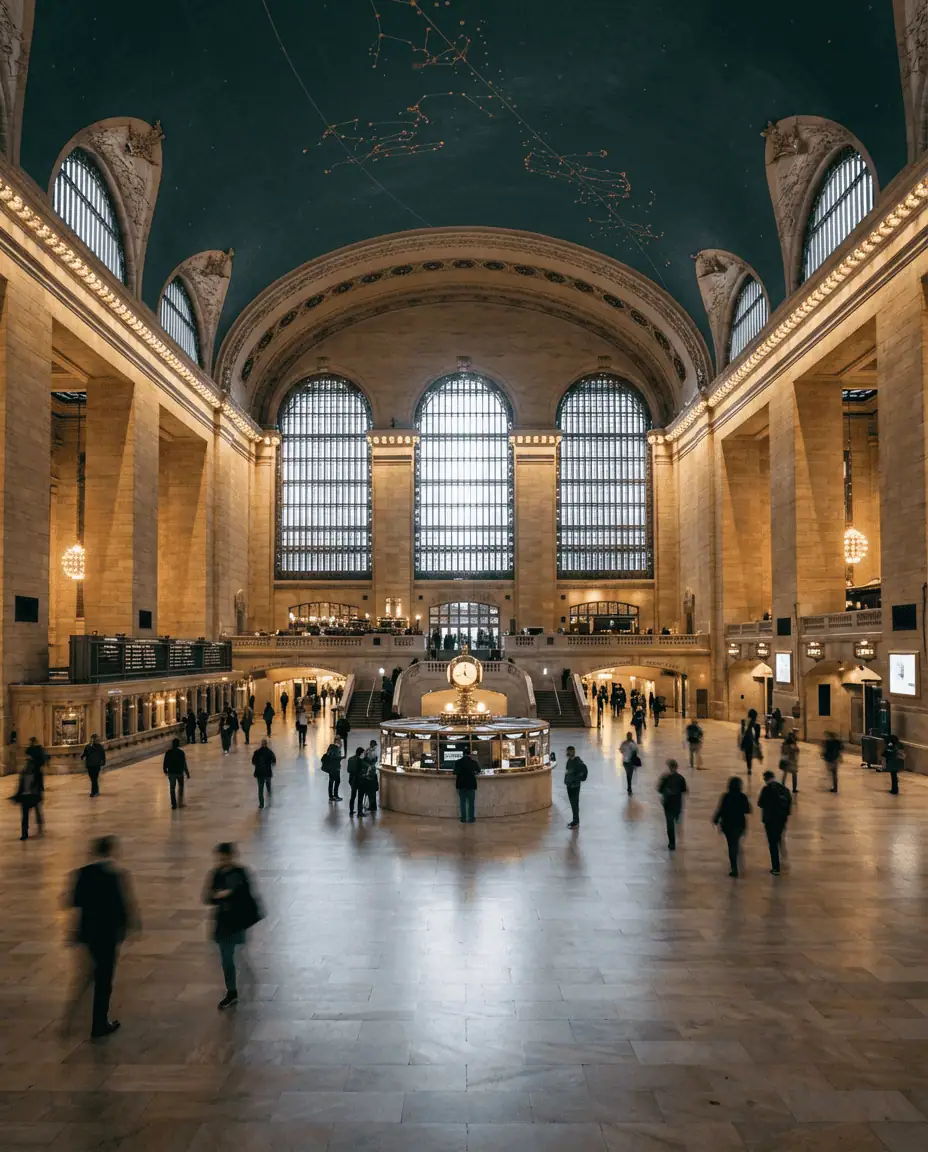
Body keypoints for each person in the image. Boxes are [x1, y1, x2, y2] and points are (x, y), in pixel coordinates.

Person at [66, 836, 137, 1039]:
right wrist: (129, 926)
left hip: (87, 934)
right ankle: (99, 1023)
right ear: (111, 852)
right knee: (104, 979)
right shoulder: (115, 875)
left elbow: (74, 901)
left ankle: (72, 1016)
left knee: (89, 974)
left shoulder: (82, 873)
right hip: (107, 936)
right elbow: (122, 905)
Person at [202, 842, 263, 1010]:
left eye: (224, 857)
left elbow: (248, 896)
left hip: (237, 921)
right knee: (227, 958)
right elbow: (207, 897)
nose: (221, 860)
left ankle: (244, 976)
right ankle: (232, 991)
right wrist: (219, 896)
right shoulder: (215, 874)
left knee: (238, 952)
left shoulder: (241, 873)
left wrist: (230, 894)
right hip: (223, 923)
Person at [713, 776, 752, 877]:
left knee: (731, 845)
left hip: (728, 824)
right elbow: (748, 810)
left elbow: (720, 809)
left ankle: (734, 867)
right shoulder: (743, 796)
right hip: (739, 824)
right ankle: (736, 855)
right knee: (735, 842)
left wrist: (716, 819)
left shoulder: (726, 796)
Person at [757, 769, 792, 875]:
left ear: (766, 779)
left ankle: (776, 867)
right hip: (781, 819)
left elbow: (760, 803)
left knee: (772, 843)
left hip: (770, 819)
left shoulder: (766, 789)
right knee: (778, 837)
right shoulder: (783, 788)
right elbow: (789, 802)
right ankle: (782, 854)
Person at [13, 748, 44, 840]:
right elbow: (20, 785)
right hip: (26, 796)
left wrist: (40, 795)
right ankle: (24, 832)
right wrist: (17, 795)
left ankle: (38, 827)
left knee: (34, 812)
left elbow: (40, 785)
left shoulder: (37, 772)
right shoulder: (24, 772)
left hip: (33, 795)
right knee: (26, 815)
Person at [657, 760, 687, 850]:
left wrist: (667, 791)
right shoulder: (681, 778)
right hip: (677, 803)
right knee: (675, 818)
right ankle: (677, 818)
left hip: (668, 803)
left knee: (670, 823)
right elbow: (684, 790)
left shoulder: (665, 777)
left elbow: (659, 789)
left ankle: (672, 843)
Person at [453, 746, 480, 823]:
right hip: (471, 785)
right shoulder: (473, 762)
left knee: (462, 803)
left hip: (461, 785)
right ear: (469, 754)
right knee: (471, 803)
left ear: (463, 754)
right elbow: (478, 770)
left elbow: (455, 772)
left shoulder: (458, 762)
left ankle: (463, 819)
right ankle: (471, 818)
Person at [564, 745, 588, 829]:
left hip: (575, 786)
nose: (567, 753)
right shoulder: (569, 761)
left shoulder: (577, 762)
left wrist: (575, 779)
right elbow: (567, 772)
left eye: (568, 752)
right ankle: (574, 820)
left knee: (575, 804)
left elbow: (581, 772)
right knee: (572, 803)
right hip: (569, 785)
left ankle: (576, 822)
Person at [162, 738, 190, 809]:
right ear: (178, 744)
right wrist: (187, 773)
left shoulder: (168, 752)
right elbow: (184, 764)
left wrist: (165, 770)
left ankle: (173, 804)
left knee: (172, 788)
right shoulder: (181, 753)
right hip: (179, 772)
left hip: (171, 772)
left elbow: (165, 762)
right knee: (180, 787)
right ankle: (180, 803)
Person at [252, 739, 276, 808]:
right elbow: (274, 761)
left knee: (260, 788)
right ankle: (269, 790)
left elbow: (253, 762)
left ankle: (261, 804)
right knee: (268, 782)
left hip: (259, 773)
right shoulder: (270, 752)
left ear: (261, 744)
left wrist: (258, 765)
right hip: (267, 772)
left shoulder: (257, 752)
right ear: (266, 744)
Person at [740, 709, 761, 776]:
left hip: (746, 741)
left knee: (748, 755)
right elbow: (757, 737)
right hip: (752, 742)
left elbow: (742, 733)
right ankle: (749, 768)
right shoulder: (757, 725)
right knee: (750, 755)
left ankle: (749, 768)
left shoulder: (744, 722)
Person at [347, 746, 366, 816]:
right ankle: (360, 812)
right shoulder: (361, 761)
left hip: (352, 780)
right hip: (360, 780)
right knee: (360, 797)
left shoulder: (350, 759)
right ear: (361, 753)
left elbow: (348, 770)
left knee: (353, 796)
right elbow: (362, 771)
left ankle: (351, 811)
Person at [619, 731, 639, 795]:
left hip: (628, 761)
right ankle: (629, 787)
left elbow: (621, 750)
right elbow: (636, 751)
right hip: (628, 761)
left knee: (629, 774)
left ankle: (629, 787)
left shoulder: (625, 743)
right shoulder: (631, 743)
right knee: (629, 774)